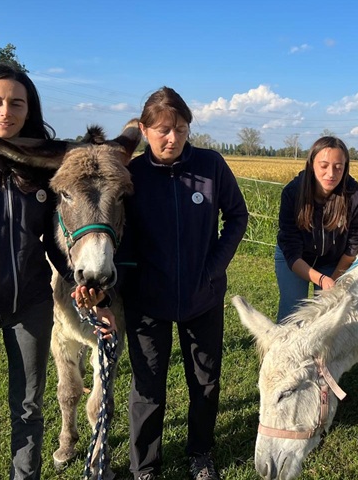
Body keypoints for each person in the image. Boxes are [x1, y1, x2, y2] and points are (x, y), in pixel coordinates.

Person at [0, 62, 95, 480]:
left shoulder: (39, 167)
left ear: (29, 110)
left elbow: (55, 239)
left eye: (16, 103)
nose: (5, 112)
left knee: (29, 411)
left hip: (30, 307)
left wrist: (77, 279)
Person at [119, 87, 248, 480]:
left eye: (180, 129)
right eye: (162, 130)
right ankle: (145, 466)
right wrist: (122, 283)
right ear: (144, 130)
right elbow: (120, 235)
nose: (172, 138)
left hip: (202, 296)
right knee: (148, 386)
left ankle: (201, 453)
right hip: (147, 299)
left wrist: (213, 269)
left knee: (205, 381)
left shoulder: (210, 165)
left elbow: (237, 216)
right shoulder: (132, 176)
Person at [275, 136, 358, 321]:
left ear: (345, 167)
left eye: (338, 167)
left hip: (335, 260)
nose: (331, 174)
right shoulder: (292, 192)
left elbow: (354, 243)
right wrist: (320, 279)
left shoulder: (356, 195)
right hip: (295, 259)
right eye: (324, 166)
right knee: (293, 313)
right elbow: (291, 249)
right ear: (312, 165)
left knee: (328, 314)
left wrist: (333, 280)